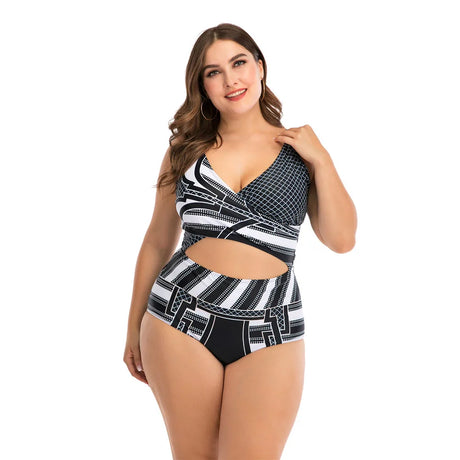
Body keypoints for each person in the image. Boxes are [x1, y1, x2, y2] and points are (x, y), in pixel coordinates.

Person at [123, 23, 357, 460]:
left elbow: (342, 240)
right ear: (202, 86)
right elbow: (157, 240)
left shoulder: (300, 152)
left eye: (239, 63)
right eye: (213, 72)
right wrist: (132, 327)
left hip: (272, 325)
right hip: (179, 318)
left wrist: (323, 160)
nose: (230, 80)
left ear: (260, 67)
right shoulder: (184, 151)